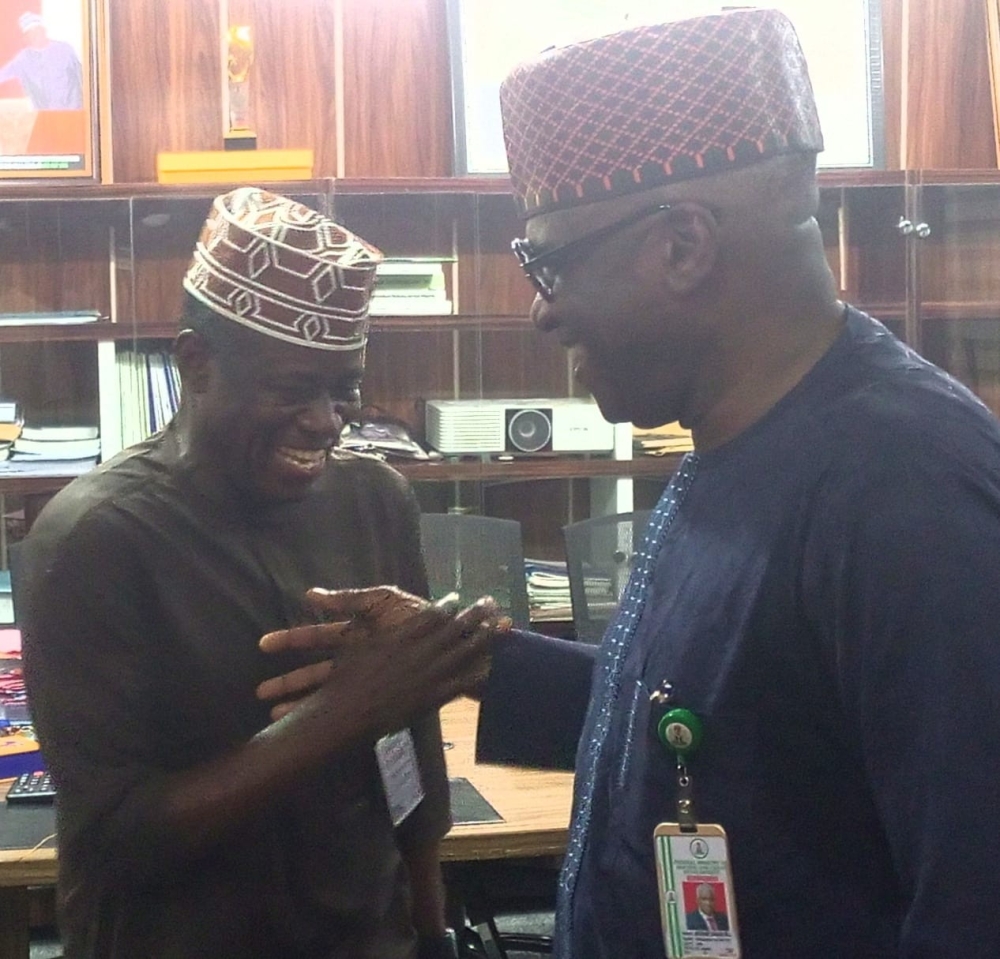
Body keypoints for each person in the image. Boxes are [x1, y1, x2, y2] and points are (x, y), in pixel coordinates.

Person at [258, 9, 1000, 959]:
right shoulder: (734, 442)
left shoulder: (910, 491)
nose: (542, 312)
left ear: (683, 245)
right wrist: (470, 660)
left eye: (551, 261)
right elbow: (715, 724)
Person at [19, 187, 498, 959]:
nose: (326, 419)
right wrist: (343, 710)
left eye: (343, 386)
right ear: (195, 363)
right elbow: (113, 842)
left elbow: (410, 750)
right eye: (291, 387)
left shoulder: (375, 499)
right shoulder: (94, 538)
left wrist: (432, 931)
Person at [0, 12, 83, 110]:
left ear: (44, 31)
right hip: (45, 116)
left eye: (38, 31)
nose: (36, 35)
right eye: (31, 33)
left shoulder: (65, 49)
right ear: (26, 38)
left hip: (74, 112)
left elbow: (82, 76)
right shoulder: (22, 60)